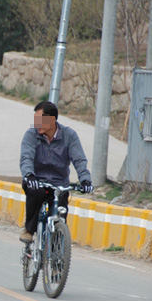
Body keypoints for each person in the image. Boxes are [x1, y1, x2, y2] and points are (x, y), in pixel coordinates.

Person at [19, 100, 93, 242]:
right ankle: (29, 230)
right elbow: (26, 158)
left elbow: (79, 159)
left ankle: (58, 253)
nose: (37, 124)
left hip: (59, 183)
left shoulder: (69, 135)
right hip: (36, 180)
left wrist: (85, 179)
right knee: (36, 193)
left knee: (60, 211)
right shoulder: (31, 134)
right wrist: (29, 175)